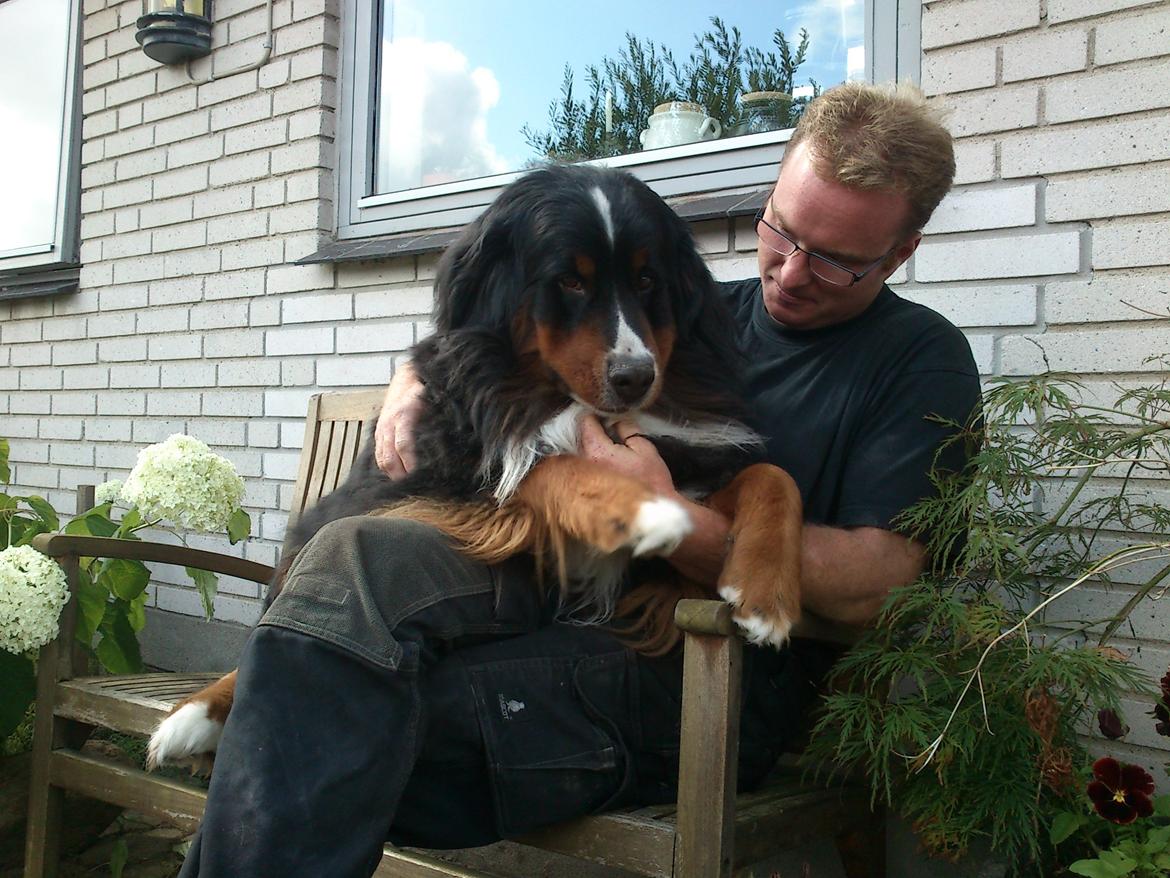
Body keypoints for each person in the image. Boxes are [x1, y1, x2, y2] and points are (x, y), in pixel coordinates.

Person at [178, 81, 980, 876]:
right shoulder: (697, 308)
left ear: (901, 252)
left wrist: (668, 516)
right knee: (352, 557)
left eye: (835, 260)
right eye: (782, 230)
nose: (792, 271)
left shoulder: (920, 361)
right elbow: (511, 345)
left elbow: (880, 586)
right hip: (559, 601)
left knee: (314, 707)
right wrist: (417, 379)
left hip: (703, 678)